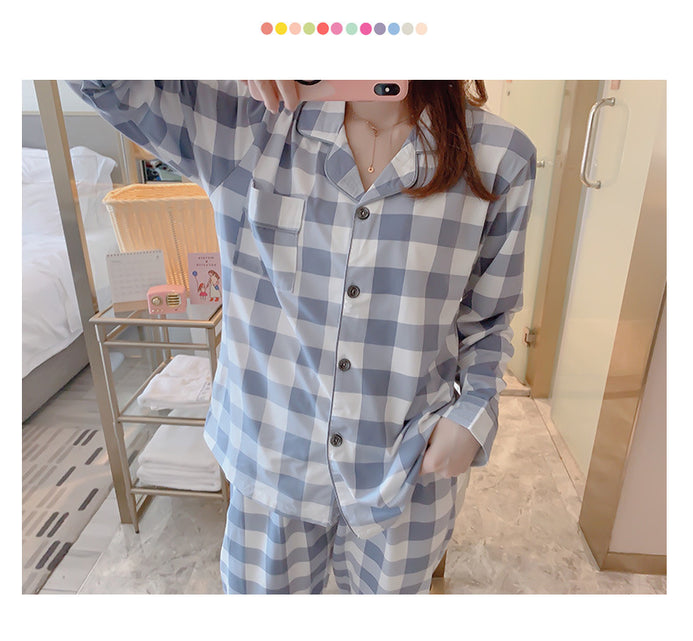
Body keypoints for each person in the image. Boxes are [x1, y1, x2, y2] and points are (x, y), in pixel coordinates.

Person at [69, 80, 535, 594]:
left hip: (404, 467)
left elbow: (488, 319)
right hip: (271, 461)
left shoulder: (498, 157)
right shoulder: (247, 120)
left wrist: (472, 414)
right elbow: (97, 77)